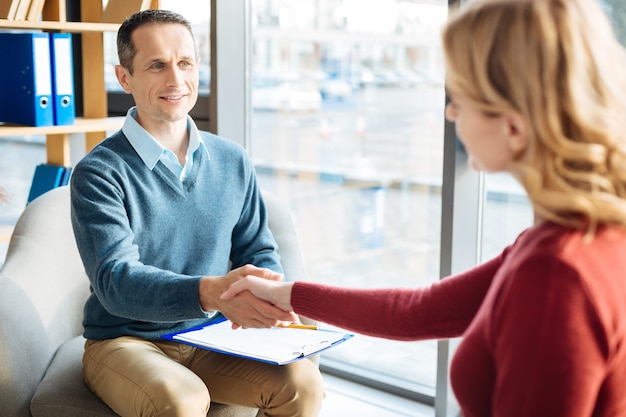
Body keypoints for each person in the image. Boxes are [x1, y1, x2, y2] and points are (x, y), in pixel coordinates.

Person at [221, 0, 626, 416]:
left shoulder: (556, 274)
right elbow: (419, 312)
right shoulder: (581, 234)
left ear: (513, 126)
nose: (450, 111)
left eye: (461, 97)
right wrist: (288, 295)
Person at [70, 9, 323, 417]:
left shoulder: (232, 159)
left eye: (184, 63)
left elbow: (257, 250)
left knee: (303, 383)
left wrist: (267, 298)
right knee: (182, 400)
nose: (175, 80)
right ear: (124, 78)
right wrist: (214, 293)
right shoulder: (98, 173)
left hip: (215, 338)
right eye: (157, 65)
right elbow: (114, 281)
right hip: (126, 341)